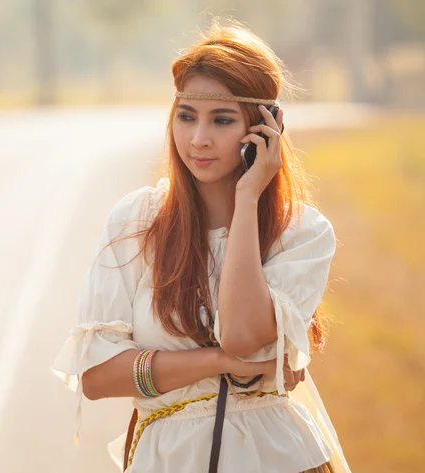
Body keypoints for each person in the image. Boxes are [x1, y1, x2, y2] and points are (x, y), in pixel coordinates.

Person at [52, 19, 352, 473]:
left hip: (280, 459)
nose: (199, 139)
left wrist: (248, 199)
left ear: (266, 128)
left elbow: (241, 332)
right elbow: (96, 376)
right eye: (186, 116)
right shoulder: (135, 222)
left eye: (222, 120)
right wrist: (217, 361)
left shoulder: (302, 233)